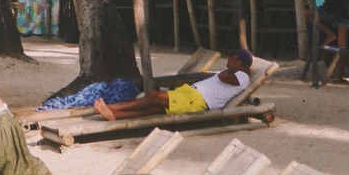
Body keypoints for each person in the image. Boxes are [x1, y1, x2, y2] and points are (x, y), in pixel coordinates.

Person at [94, 48, 254, 122]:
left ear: (243, 64)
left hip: (198, 100)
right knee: (154, 109)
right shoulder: (232, 70)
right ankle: (116, 116)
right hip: (192, 95)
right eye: (232, 56)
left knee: (153, 96)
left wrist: (234, 67)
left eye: (235, 57)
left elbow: (225, 77)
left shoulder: (243, 76)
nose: (231, 59)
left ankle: (112, 107)